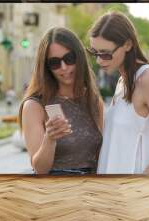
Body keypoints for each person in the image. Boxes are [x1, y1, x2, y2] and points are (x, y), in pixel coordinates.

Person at [88, 12, 149, 174]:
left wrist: (140, 186)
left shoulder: (147, 79)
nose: (99, 60)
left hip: (137, 192)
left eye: (105, 53)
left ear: (128, 45)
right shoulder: (122, 81)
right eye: (94, 53)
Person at [19, 27, 104, 175]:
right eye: (55, 63)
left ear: (79, 57)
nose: (64, 68)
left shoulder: (93, 101)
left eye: (69, 59)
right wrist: (49, 139)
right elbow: (40, 170)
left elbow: (101, 155)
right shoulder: (34, 105)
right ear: (46, 67)